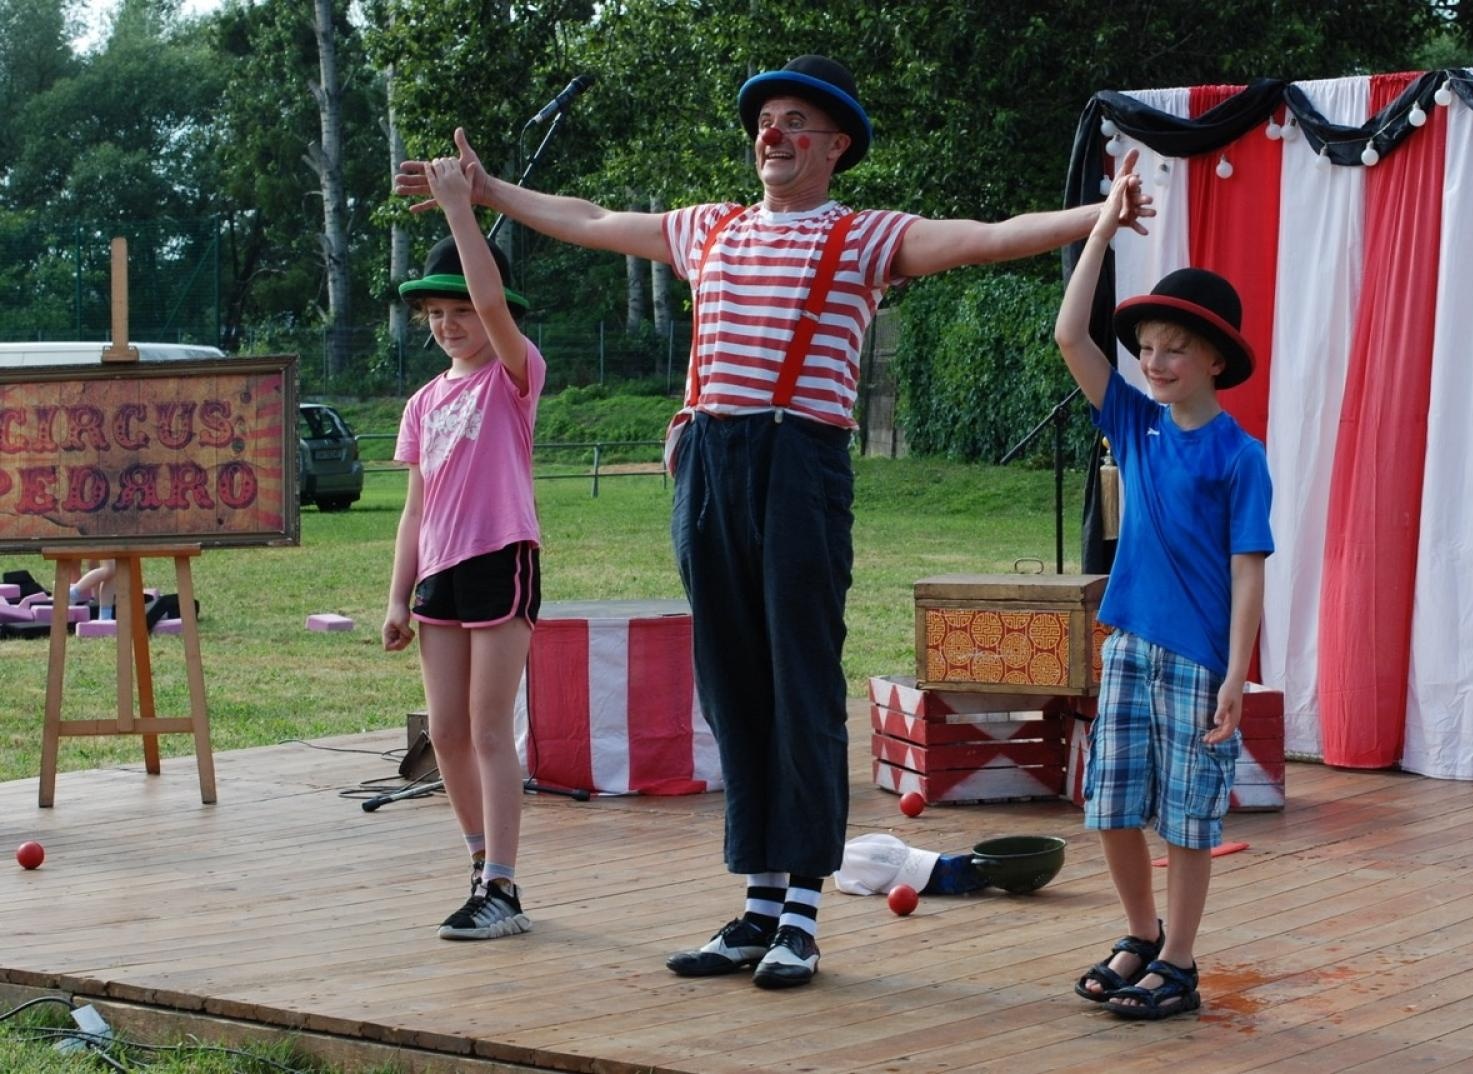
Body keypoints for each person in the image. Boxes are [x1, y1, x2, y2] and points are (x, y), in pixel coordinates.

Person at [395, 54, 1152, 987]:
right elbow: (590, 221)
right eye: (766, 120)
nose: (774, 134)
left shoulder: (863, 237)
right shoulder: (708, 229)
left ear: (834, 147)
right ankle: (757, 903)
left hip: (798, 462)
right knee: (731, 682)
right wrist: (490, 190)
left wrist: (1100, 215)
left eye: (797, 122)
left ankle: (802, 909)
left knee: (797, 678)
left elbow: (988, 236)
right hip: (709, 461)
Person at [1053, 167, 1273, 1019]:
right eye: (1146, 346)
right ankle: (1139, 935)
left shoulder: (1238, 455)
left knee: (1188, 820)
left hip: (1196, 659)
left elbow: (1248, 566)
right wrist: (1102, 230)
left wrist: (1236, 673)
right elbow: (1073, 335)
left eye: (1174, 348)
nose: (1154, 361)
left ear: (1215, 359)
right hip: (1130, 643)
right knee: (1110, 801)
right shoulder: (1133, 422)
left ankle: (1178, 963)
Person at [383, 155, 548, 941]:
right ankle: (480, 865)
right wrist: (396, 594)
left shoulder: (513, 375)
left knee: (489, 729)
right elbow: (415, 508)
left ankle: (506, 888)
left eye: (462, 310)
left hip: (499, 561)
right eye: (435, 314)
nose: (450, 323)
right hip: (439, 577)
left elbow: (490, 297)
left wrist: (459, 209)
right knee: (443, 732)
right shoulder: (423, 401)